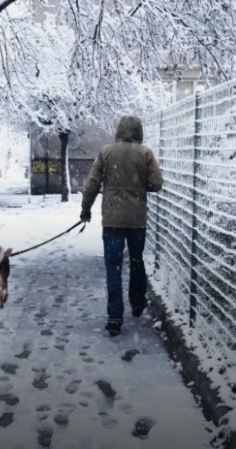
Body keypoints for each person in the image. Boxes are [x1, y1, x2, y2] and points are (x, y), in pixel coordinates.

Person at [80, 115, 163, 336]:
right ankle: (137, 302)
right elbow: (156, 183)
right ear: (139, 131)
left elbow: (91, 184)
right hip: (136, 220)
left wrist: (86, 209)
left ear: (119, 131)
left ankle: (115, 317)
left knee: (113, 267)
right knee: (136, 261)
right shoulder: (145, 153)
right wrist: (138, 185)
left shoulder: (106, 152)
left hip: (112, 220)